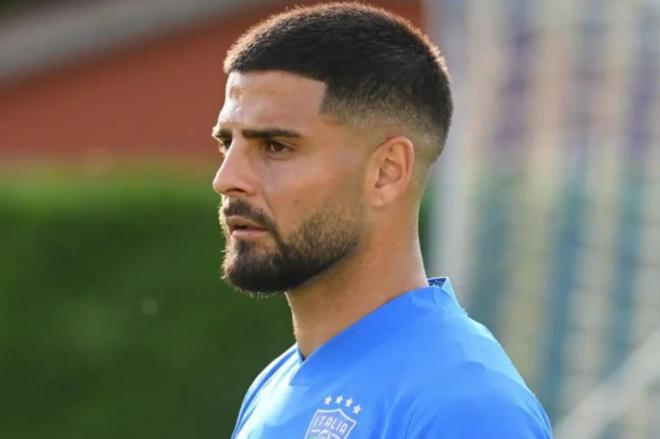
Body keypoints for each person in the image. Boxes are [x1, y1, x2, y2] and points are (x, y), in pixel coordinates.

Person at [211, 3, 552, 438]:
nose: (227, 179)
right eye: (228, 144)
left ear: (387, 171)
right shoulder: (276, 383)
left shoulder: (465, 406)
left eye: (276, 146)